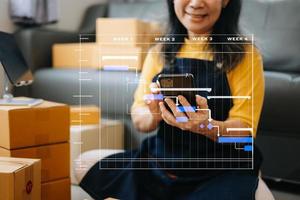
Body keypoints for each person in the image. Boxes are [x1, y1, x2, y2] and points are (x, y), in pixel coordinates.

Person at [78, 0, 274, 199]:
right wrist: (153, 114)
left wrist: (206, 126)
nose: (196, 3)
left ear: (225, 2)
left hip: (220, 169)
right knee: (83, 164)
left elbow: (244, 130)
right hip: (161, 164)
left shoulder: (245, 55)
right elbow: (139, 118)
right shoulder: (159, 52)